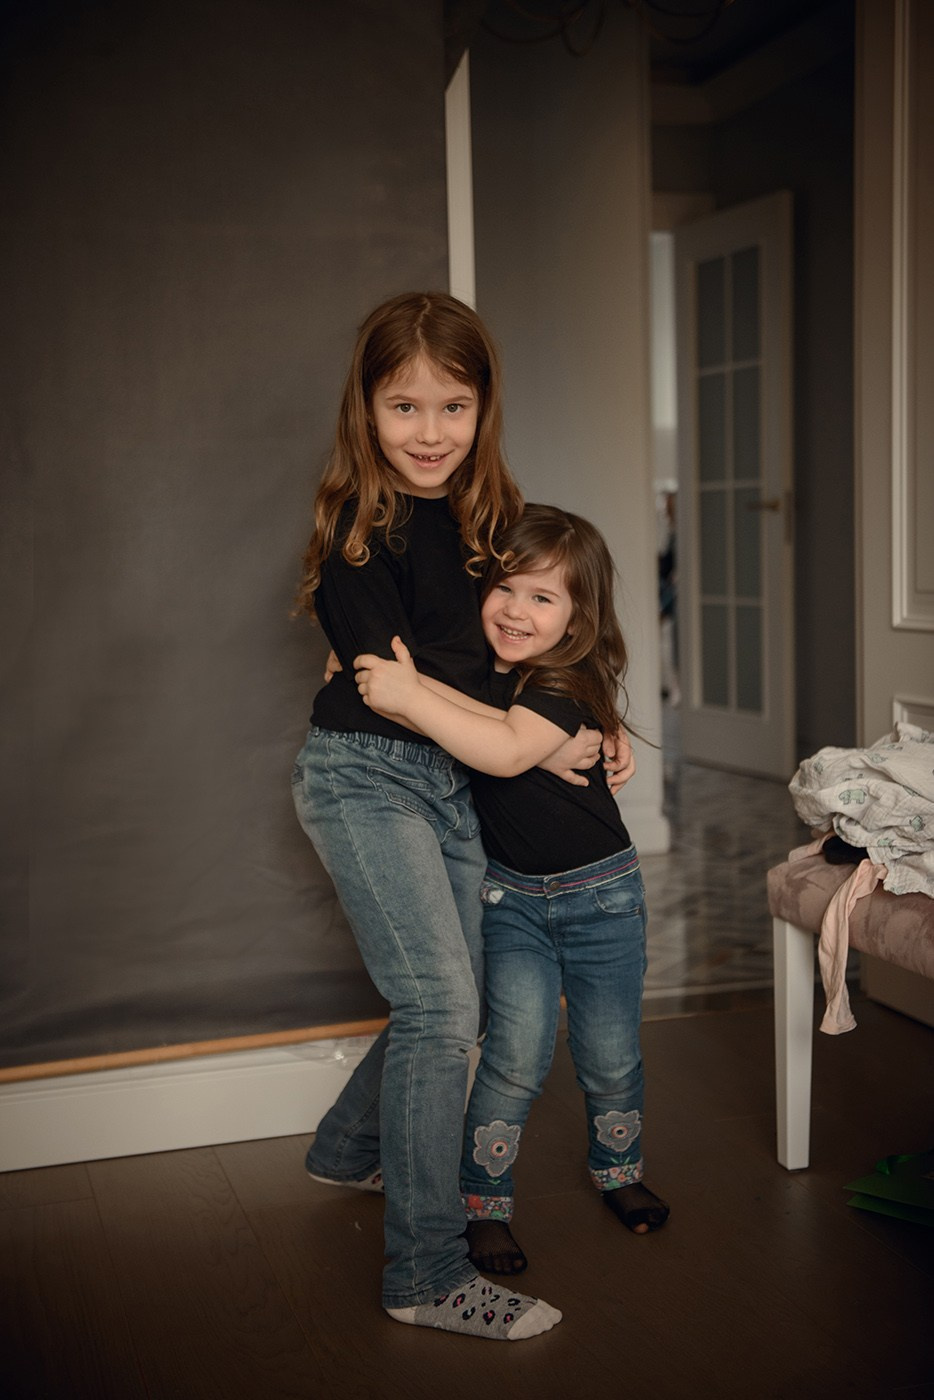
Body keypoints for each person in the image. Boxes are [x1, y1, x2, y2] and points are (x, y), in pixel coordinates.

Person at [291, 293, 612, 1340]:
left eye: (453, 405)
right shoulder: (355, 521)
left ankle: (350, 1149)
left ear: (484, 408)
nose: (430, 432)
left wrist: (579, 724)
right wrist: (508, 727)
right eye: (404, 406)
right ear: (365, 409)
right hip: (367, 772)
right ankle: (425, 1272)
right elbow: (384, 684)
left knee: (455, 995)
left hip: (453, 779)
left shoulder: (488, 518)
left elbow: (532, 638)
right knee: (442, 1007)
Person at [353, 503, 670, 1280]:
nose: (517, 612)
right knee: (513, 1059)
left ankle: (619, 1174)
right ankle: (483, 1205)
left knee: (609, 1057)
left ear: (578, 616)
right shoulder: (472, 667)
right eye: (506, 588)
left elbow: (496, 749)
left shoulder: (571, 678)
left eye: (544, 598)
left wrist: (410, 696)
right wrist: (395, 679)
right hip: (511, 902)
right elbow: (475, 713)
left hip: (602, 897)